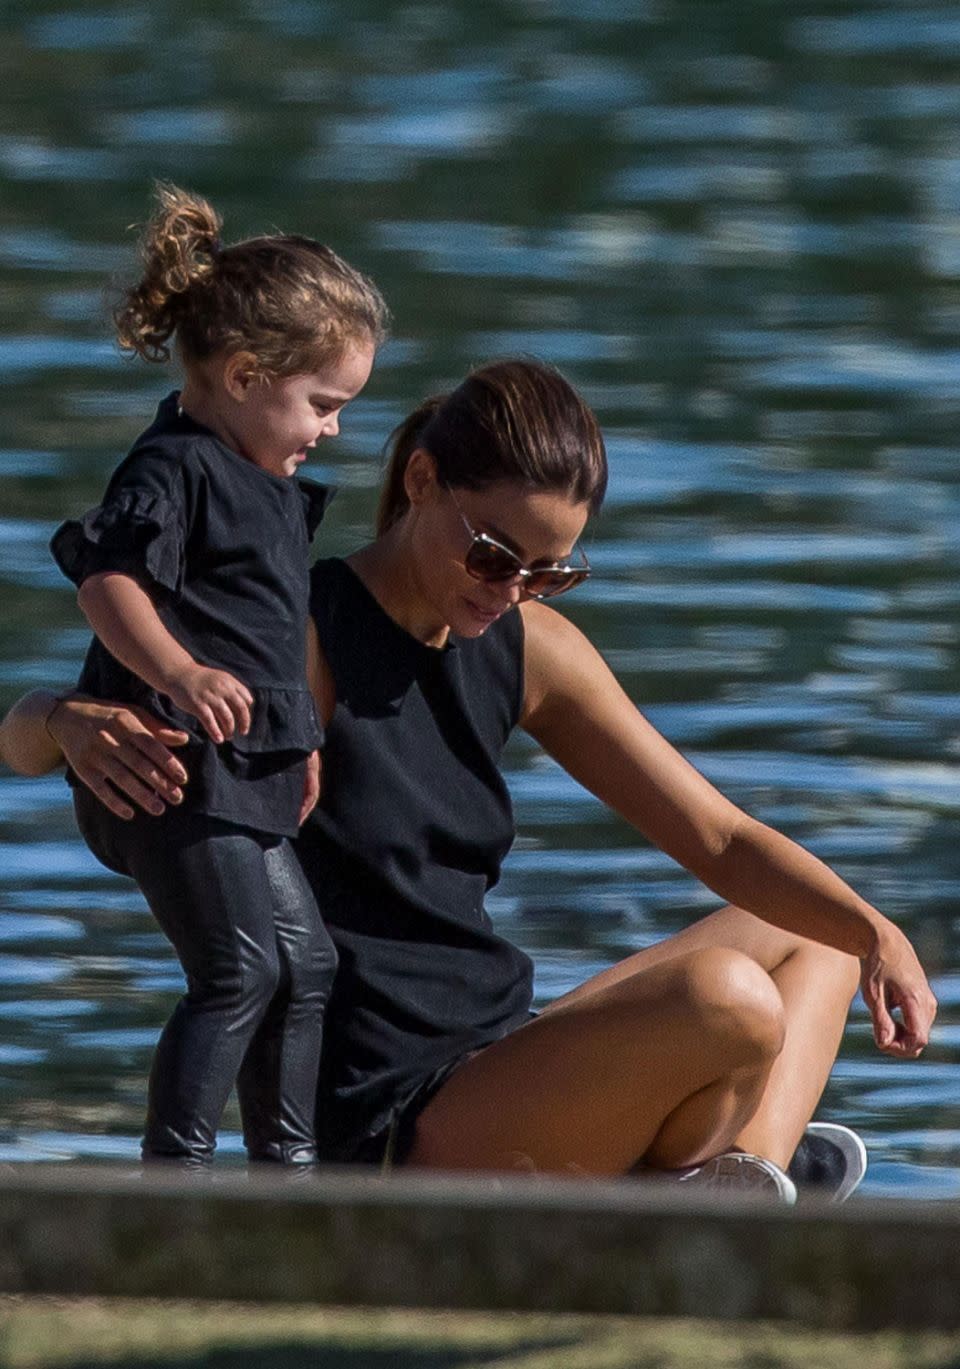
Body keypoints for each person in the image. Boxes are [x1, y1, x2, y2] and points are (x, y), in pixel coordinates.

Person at [2, 359, 936, 1201]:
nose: (509, 590)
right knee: (724, 996)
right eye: (494, 555)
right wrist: (60, 721)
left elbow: (720, 838)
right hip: (384, 1120)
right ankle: (706, 1188)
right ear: (421, 482)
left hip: (499, 1061)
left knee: (814, 930)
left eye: (547, 574)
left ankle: (733, 1188)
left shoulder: (533, 652)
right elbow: (40, 736)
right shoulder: (300, 628)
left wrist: (879, 933)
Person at [40, 183, 387, 1168]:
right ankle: (178, 1179)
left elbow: (271, 630)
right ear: (242, 374)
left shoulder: (266, 482)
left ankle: (286, 1171)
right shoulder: (175, 468)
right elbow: (105, 582)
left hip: (249, 771)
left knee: (305, 964)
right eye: (322, 404)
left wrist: (302, 734)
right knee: (237, 968)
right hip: (173, 774)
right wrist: (181, 671)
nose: (329, 429)